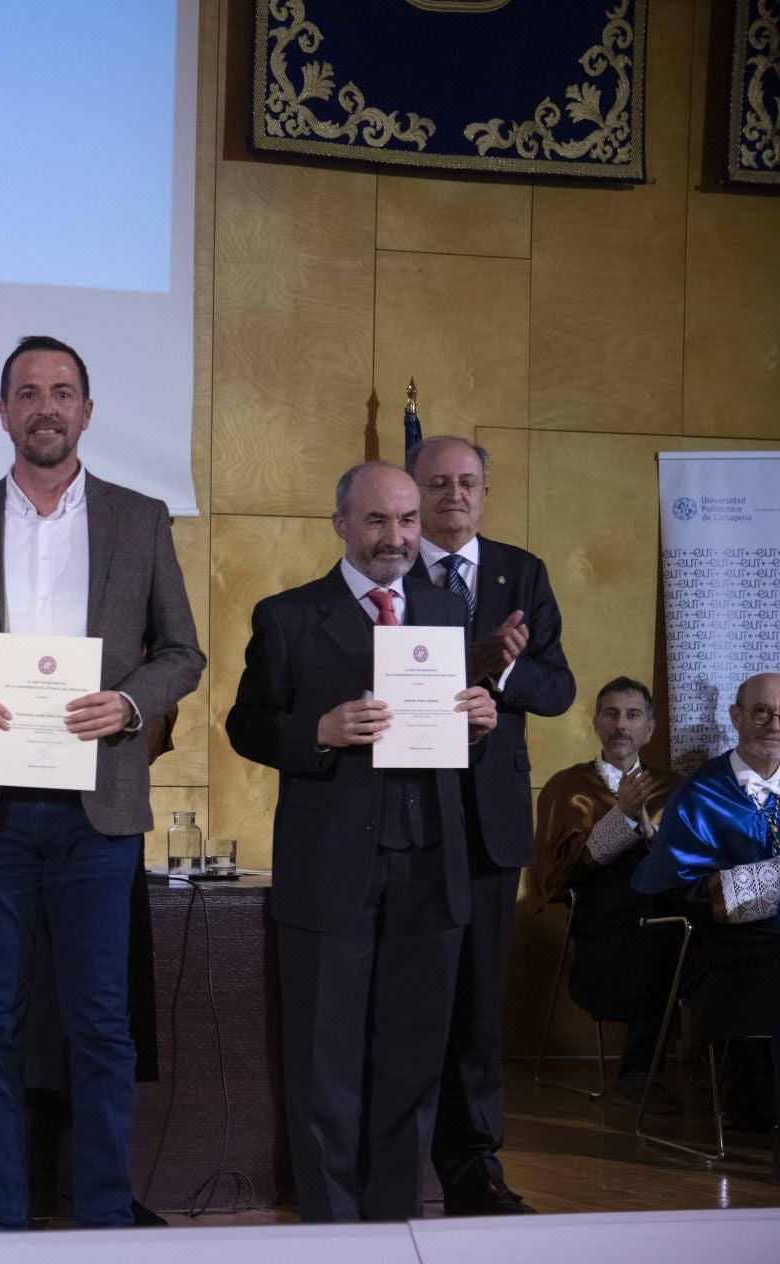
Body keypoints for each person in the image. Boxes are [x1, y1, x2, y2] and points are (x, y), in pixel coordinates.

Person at [0, 335, 206, 1231]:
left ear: (88, 412)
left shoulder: (140, 519)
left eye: (63, 392)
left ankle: (103, 1225)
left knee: (101, 1028)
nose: (46, 407)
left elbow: (183, 651)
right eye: (27, 393)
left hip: (97, 811)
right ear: (1, 413)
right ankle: (1, 1228)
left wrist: (130, 705)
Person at [225, 460, 498, 1223]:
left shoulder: (448, 613)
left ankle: (392, 1228)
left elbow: (457, 737)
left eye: (408, 521)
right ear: (341, 524)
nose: (397, 537)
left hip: (431, 866)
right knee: (326, 1067)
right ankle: (332, 1233)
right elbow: (246, 726)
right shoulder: (288, 616)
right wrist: (315, 731)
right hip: (332, 868)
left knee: (410, 1065)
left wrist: (480, 721)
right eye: (378, 521)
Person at [405, 434, 575, 1215]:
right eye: (437, 482)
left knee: (478, 1006)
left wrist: (502, 670)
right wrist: (466, 661)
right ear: (412, 489)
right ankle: (397, 1161)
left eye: (467, 481)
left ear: (485, 490)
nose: (454, 495)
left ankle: (474, 1167)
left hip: (490, 822)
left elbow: (558, 687)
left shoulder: (520, 572)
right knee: (410, 999)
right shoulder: (386, 565)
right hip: (404, 813)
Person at [633, 672, 780, 1133]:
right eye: (760, 712)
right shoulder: (700, 794)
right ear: (736, 716)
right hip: (732, 950)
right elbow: (685, 896)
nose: (773, 724)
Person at [530, 677, 684, 1114]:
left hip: (669, 908)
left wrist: (652, 832)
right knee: (659, 934)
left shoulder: (673, 787)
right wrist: (624, 818)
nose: (621, 725)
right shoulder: (567, 786)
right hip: (604, 920)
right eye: (611, 714)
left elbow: (694, 856)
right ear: (596, 722)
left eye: (633, 715)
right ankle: (637, 1073)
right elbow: (562, 872)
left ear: (649, 729)